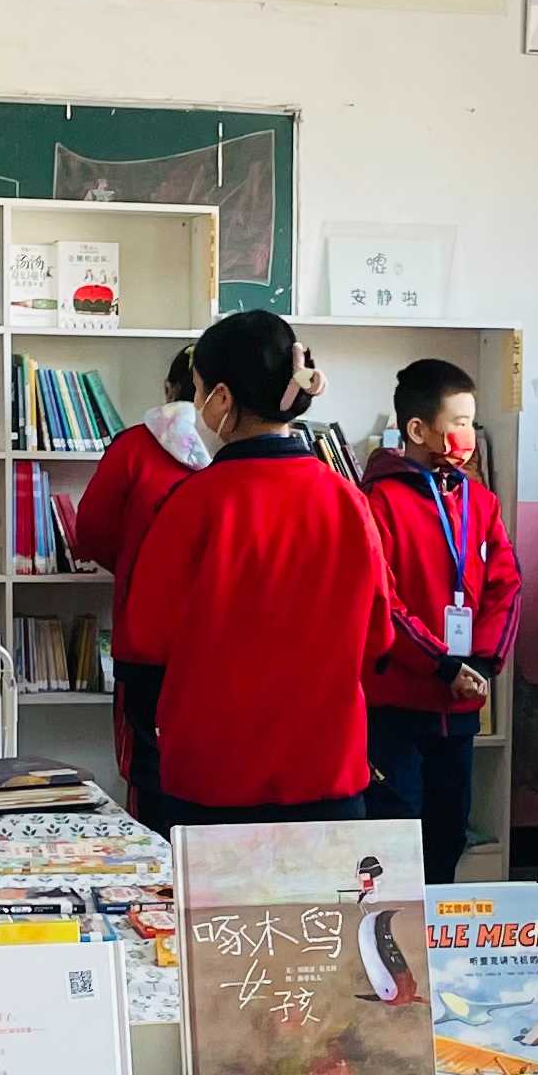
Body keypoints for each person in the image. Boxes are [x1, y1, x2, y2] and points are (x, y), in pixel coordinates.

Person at [125, 310, 392, 827]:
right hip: (326, 773)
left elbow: (145, 644)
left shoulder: (192, 504)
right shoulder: (347, 500)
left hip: (212, 778)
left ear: (222, 399)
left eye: (197, 391)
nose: (196, 406)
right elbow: (379, 639)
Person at [360, 356, 520, 887]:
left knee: (448, 833)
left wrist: (482, 662)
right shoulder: (377, 502)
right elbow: (383, 601)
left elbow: (506, 584)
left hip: (461, 702)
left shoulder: (480, 501)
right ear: (417, 429)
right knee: (394, 832)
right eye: (459, 422)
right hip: (398, 704)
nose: (469, 435)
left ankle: (435, 932)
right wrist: (442, 663)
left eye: (472, 422)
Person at [67, 346, 202, 826]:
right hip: (229, 648)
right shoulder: (248, 454)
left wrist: (138, 570)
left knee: (150, 773)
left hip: (148, 645)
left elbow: (91, 534)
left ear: (169, 390)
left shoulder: (133, 448)